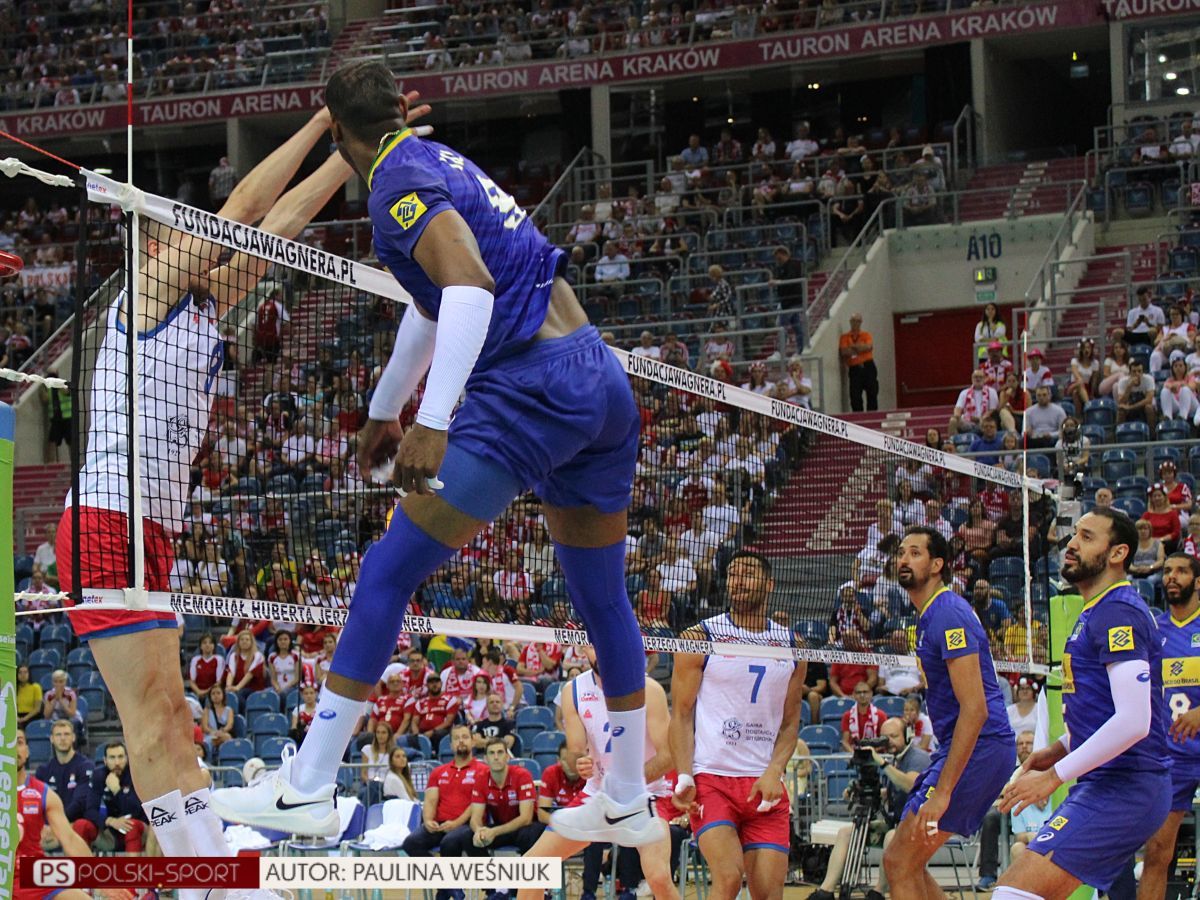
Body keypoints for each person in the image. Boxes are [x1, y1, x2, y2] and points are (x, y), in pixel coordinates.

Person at [212, 60, 660, 848]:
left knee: (388, 572)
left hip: (527, 388)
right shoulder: (438, 160)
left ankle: (307, 788)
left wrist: (433, 417)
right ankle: (627, 797)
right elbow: (433, 304)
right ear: (398, 108)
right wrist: (386, 408)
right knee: (601, 598)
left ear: (335, 127)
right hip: (596, 379)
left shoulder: (396, 185)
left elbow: (470, 288)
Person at [54, 107, 361, 897]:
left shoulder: (204, 305)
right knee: (151, 717)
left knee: (175, 718)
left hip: (152, 529)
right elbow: (244, 211)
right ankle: (207, 881)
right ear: (157, 241)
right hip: (104, 519)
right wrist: (323, 119)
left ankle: (210, 872)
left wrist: (353, 154)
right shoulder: (147, 286)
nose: (190, 236)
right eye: (175, 226)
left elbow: (275, 230)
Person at [997, 508, 1169, 900]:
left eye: (1087, 537)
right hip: (1107, 784)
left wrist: (1053, 777)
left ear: (1118, 553)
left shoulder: (1117, 611)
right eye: (1075, 534)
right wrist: (1060, 748)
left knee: (1013, 894)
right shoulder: (1095, 610)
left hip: (1127, 786)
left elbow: (1134, 721)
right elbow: (1106, 714)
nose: (1072, 544)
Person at [884, 526, 1016, 900]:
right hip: (969, 747)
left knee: (899, 862)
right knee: (902, 862)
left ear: (937, 564)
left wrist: (943, 792)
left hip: (981, 746)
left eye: (915, 553)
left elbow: (975, 709)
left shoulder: (948, 613)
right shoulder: (931, 615)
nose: (904, 559)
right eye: (901, 552)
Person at [670, 550, 807, 900]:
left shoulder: (793, 644)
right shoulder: (700, 637)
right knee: (729, 878)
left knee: (769, 894)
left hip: (764, 784)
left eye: (747, 573)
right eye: (732, 574)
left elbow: (790, 722)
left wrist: (774, 771)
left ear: (769, 584)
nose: (737, 580)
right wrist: (685, 776)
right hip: (712, 779)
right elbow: (681, 715)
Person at [517, 650, 680, 900]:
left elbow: (668, 756)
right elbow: (576, 751)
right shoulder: (573, 691)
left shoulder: (649, 689)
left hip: (647, 794)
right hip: (598, 794)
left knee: (658, 876)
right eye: (595, 645)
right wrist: (580, 762)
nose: (603, 650)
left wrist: (625, 784)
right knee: (533, 865)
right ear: (585, 648)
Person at [809, 717, 932, 900]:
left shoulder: (918, 758)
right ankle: (825, 891)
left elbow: (909, 784)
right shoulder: (896, 759)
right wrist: (859, 790)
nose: (889, 742)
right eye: (885, 737)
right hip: (897, 824)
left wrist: (882, 764)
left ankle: (878, 892)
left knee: (891, 836)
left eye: (894, 736)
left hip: (921, 828)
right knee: (846, 833)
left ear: (907, 736)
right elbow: (893, 790)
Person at [1139, 553, 1200, 900]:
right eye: (1167, 571)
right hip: (1172, 757)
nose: (1172, 577)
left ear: (1198, 581)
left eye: (1181, 571)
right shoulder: (1153, 632)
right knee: (1158, 852)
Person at [14, 729, 95, 900]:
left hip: (33, 873)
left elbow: (70, 839)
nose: (13, 748)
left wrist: (102, 879)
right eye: (7, 743)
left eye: (19, 742)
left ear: (27, 751)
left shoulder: (43, 793)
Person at [400, 723, 489, 872]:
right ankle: (443, 877)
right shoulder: (438, 771)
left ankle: (448, 882)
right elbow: (430, 801)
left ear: (473, 741)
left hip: (468, 824)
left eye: (465, 737)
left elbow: (477, 802)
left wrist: (455, 823)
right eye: (456, 738)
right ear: (451, 745)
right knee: (411, 843)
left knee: (449, 842)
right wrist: (428, 820)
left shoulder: (483, 770)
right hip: (440, 824)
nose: (461, 741)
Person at [458, 738, 540, 864]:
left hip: (525, 827)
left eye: (500, 752)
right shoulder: (481, 778)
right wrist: (479, 831)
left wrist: (494, 832)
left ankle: (526, 875)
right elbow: (475, 818)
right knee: (468, 837)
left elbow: (526, 818)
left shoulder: (522, 775)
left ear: (507, 757)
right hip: (502, 827)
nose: (496, 757)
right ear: (486, 759)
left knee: (529, 835)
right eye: (492, 753)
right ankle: (490, 875)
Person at [977, 730, 1038, 889]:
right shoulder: (1009, 769)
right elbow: (996, 791)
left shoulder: (1044, 768)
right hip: (1012, 811)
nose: (1024, 747)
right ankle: (988, 875)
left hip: (1037, 815)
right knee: (990, 818)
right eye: (1020, 744)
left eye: (1028, 743)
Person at [77, 741, 147, 854]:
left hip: (139, 830)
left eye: (120, 757)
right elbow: (89, 811)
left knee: (132, 825)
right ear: (105, 760)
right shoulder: (98, 775)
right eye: (112, 758)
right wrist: (110, 821)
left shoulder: (135, 774)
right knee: (81, 825)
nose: (117, 762)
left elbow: (137, 811)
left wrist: (117, 791)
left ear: (127, 758)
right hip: (111, 831)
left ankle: (133, 865)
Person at [35, 719, 94, 843]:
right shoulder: (43, 771)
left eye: (66, 734)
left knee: (79, 826)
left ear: (73, 737)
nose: (62, 738)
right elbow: (39, 804)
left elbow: (79, 803)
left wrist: (57, 825)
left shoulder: (85, 766)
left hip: (74, 823)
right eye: (58, 735)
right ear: (51, 739)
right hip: (50, 827)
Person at [840, 313, 878, 411]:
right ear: (850, 322)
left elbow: (868, 347)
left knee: (872, 393)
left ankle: (872, 415)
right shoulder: (845, 337)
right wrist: (860, 347)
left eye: (857, 321)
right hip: (854, 369)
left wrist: (852, 347)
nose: (855, 323)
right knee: (855, 396)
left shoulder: (866, 335)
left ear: (860, 322)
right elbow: (844, 351)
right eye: (853, 321)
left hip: (868, 366)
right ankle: (858, 416)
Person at [841, 682, 887, 752]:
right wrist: (855, 754)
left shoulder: (880, 715)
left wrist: (872, 753)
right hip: (854, 753)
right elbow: (845, 742)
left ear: (871, 694)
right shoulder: (847, 715)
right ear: (854, 695)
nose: (862, 695)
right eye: (858, 692)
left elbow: (884, 740)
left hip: (876, 754)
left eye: (865, 692)